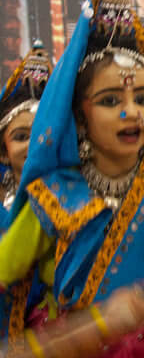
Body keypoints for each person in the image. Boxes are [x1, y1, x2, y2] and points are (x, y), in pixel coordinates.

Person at [0, 0, 144, 356]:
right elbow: (6, 268)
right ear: (79, 116)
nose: (131, 112)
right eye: (111, 101)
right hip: (70, 342)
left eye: (143, 99)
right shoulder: (53, 192)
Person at [0, 40, 52, 341]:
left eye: (44, 134)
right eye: (21, 136)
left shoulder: (77, 201)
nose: (35, 146)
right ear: (4, 152)